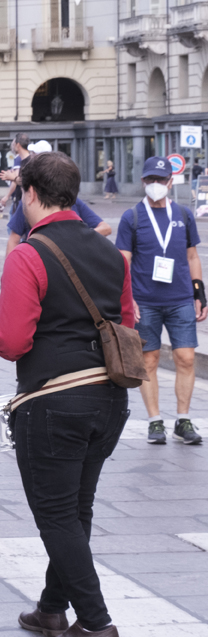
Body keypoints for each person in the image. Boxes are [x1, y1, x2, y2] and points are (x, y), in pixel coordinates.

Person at [0, 151, 135, 637]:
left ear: (29, 193)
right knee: (76, 507)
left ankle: (96, 623)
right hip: (110, 400)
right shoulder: (112, 254)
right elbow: (128, 321)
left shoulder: (29, 255)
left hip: (53, 402)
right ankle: (53, 605)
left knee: (54, 514)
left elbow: (10, 341)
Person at [117, 156, 207, 445]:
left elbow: (192, 255)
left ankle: (183, 419)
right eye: (150, 180)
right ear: (144, 182)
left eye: (160, 180)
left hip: (180, 297)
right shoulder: (132, 217)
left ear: (170, 181)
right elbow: (124, 262)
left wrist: (199, 293)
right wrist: (129, 299)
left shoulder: (183, 214)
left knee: (186, 357)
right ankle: (155, 421)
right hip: (145, 301)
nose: (155, 185)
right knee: (150, 360)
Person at [5, 195, 111, 257]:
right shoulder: (28, 202)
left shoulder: (73, 201)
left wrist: (80, 237)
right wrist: (9, 272)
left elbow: (106, 228)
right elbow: (14, 239)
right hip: (38, 260)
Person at [0, 133, 31, 213]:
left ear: (18, 145)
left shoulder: (19, 159)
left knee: (12, 225)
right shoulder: (30, 158)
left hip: (22, 201)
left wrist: (11, 177)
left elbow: (21, 181)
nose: (12, 146)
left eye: (13, 143)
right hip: (25, 201)